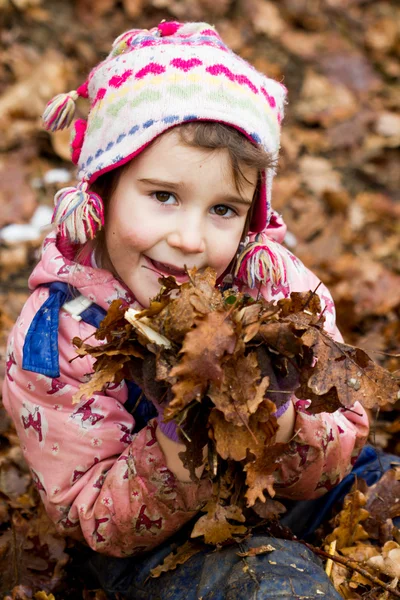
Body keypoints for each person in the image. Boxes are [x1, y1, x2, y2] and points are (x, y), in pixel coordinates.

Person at [3, 20, 389, 599]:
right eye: (163, 197)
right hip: (163, 540)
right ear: (102, 190)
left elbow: (345, 423)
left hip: (293, 494)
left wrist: (286, 430)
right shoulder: (61, 334)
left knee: (387, 487)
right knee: (270, 584)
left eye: (223, 210)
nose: (190, 238)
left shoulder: (273, 288)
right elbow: (84, 508)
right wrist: (175, 459)